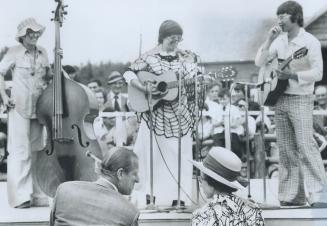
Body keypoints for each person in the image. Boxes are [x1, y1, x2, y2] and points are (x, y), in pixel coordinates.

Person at [123, 20, 204, 207]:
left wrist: (196, 75)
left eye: (178, 39)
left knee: (181, 155)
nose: (175, 43)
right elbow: (128, 74)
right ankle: (150, 196)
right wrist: (143, 88)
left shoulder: (184, 57)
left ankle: (180, 197)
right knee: (151, 157)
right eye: (172, 39)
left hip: (179, 115)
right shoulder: (149, 57)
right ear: (162, 37)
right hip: (155, 115)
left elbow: (195, 77)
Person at [255, 1, 327, 207]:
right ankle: (292, 196)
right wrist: (269, 39)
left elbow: (318, 73)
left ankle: (320, 195)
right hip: (280, 98)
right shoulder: (279, 41)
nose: (279, 20)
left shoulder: (310, 42)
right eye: (278, 16)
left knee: (306, 145)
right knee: (286, 150)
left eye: (283, 16)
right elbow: (259, 63)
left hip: (301, 98)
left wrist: (292, 74)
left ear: (295, 16)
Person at [0, 17, 51, 208]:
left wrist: (57, 66)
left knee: (37, 151)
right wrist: (5, 97)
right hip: (19, 107)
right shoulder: (14, 52)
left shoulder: (44, 52)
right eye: (30, 32)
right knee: (20, 151)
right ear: (22, 35)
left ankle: (38, 194)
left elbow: (48, 75)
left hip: (39, 109)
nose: (34, 35)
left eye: (37, 32)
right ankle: (20, 197)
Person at [50, 147, 140, 226]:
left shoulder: (64, 190)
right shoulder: (130, 212)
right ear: (120, 173)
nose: (138, 180)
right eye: (135, 174)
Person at [191, 146, 264, 226]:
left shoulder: (202, 216)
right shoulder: (253, 210)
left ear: (211, 181)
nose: (201, 185)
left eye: (201, 179)